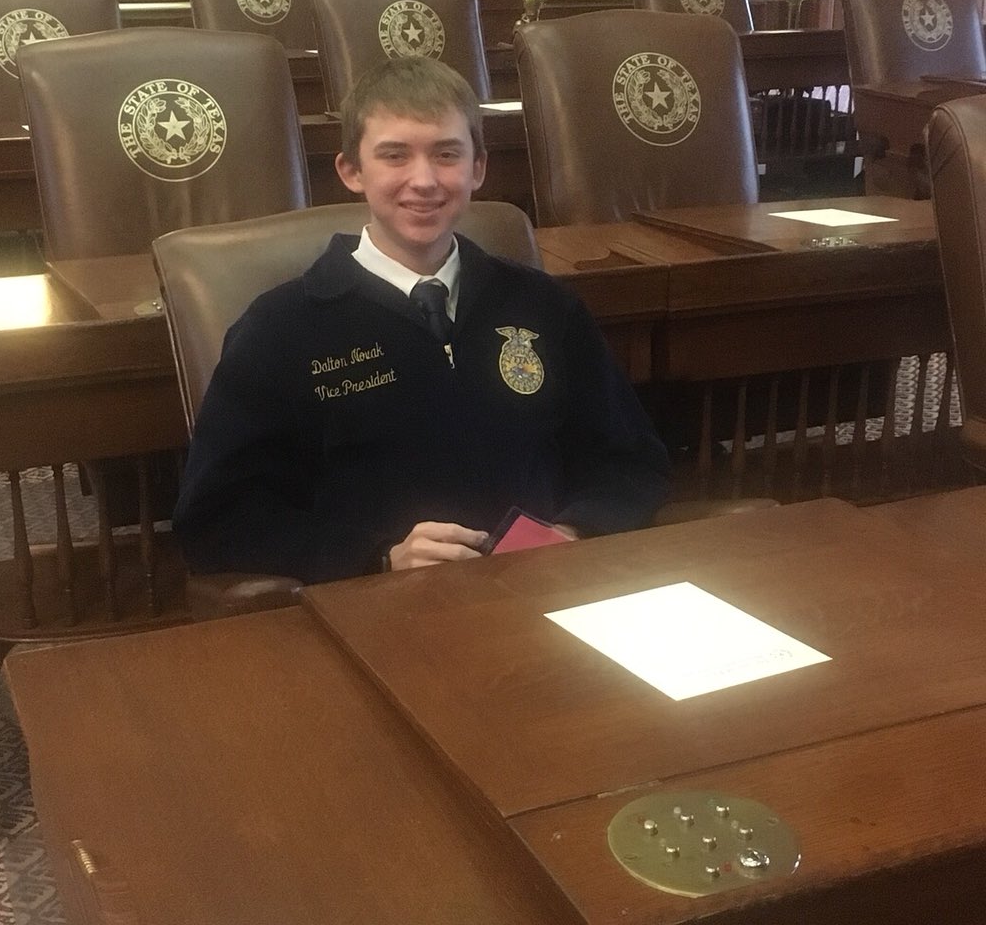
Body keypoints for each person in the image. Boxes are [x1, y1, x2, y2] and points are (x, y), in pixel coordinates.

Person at [173, 56, 670, 584]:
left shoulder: (544, 305)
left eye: (446, 154)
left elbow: (631, 461)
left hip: (547, 588)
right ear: (351, 171)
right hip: (383, 609)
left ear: (478, 167)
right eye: (394, 155)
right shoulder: (279, 329)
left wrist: (574, 531)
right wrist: (377, 558)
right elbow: (217, 521)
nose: (425, 180)